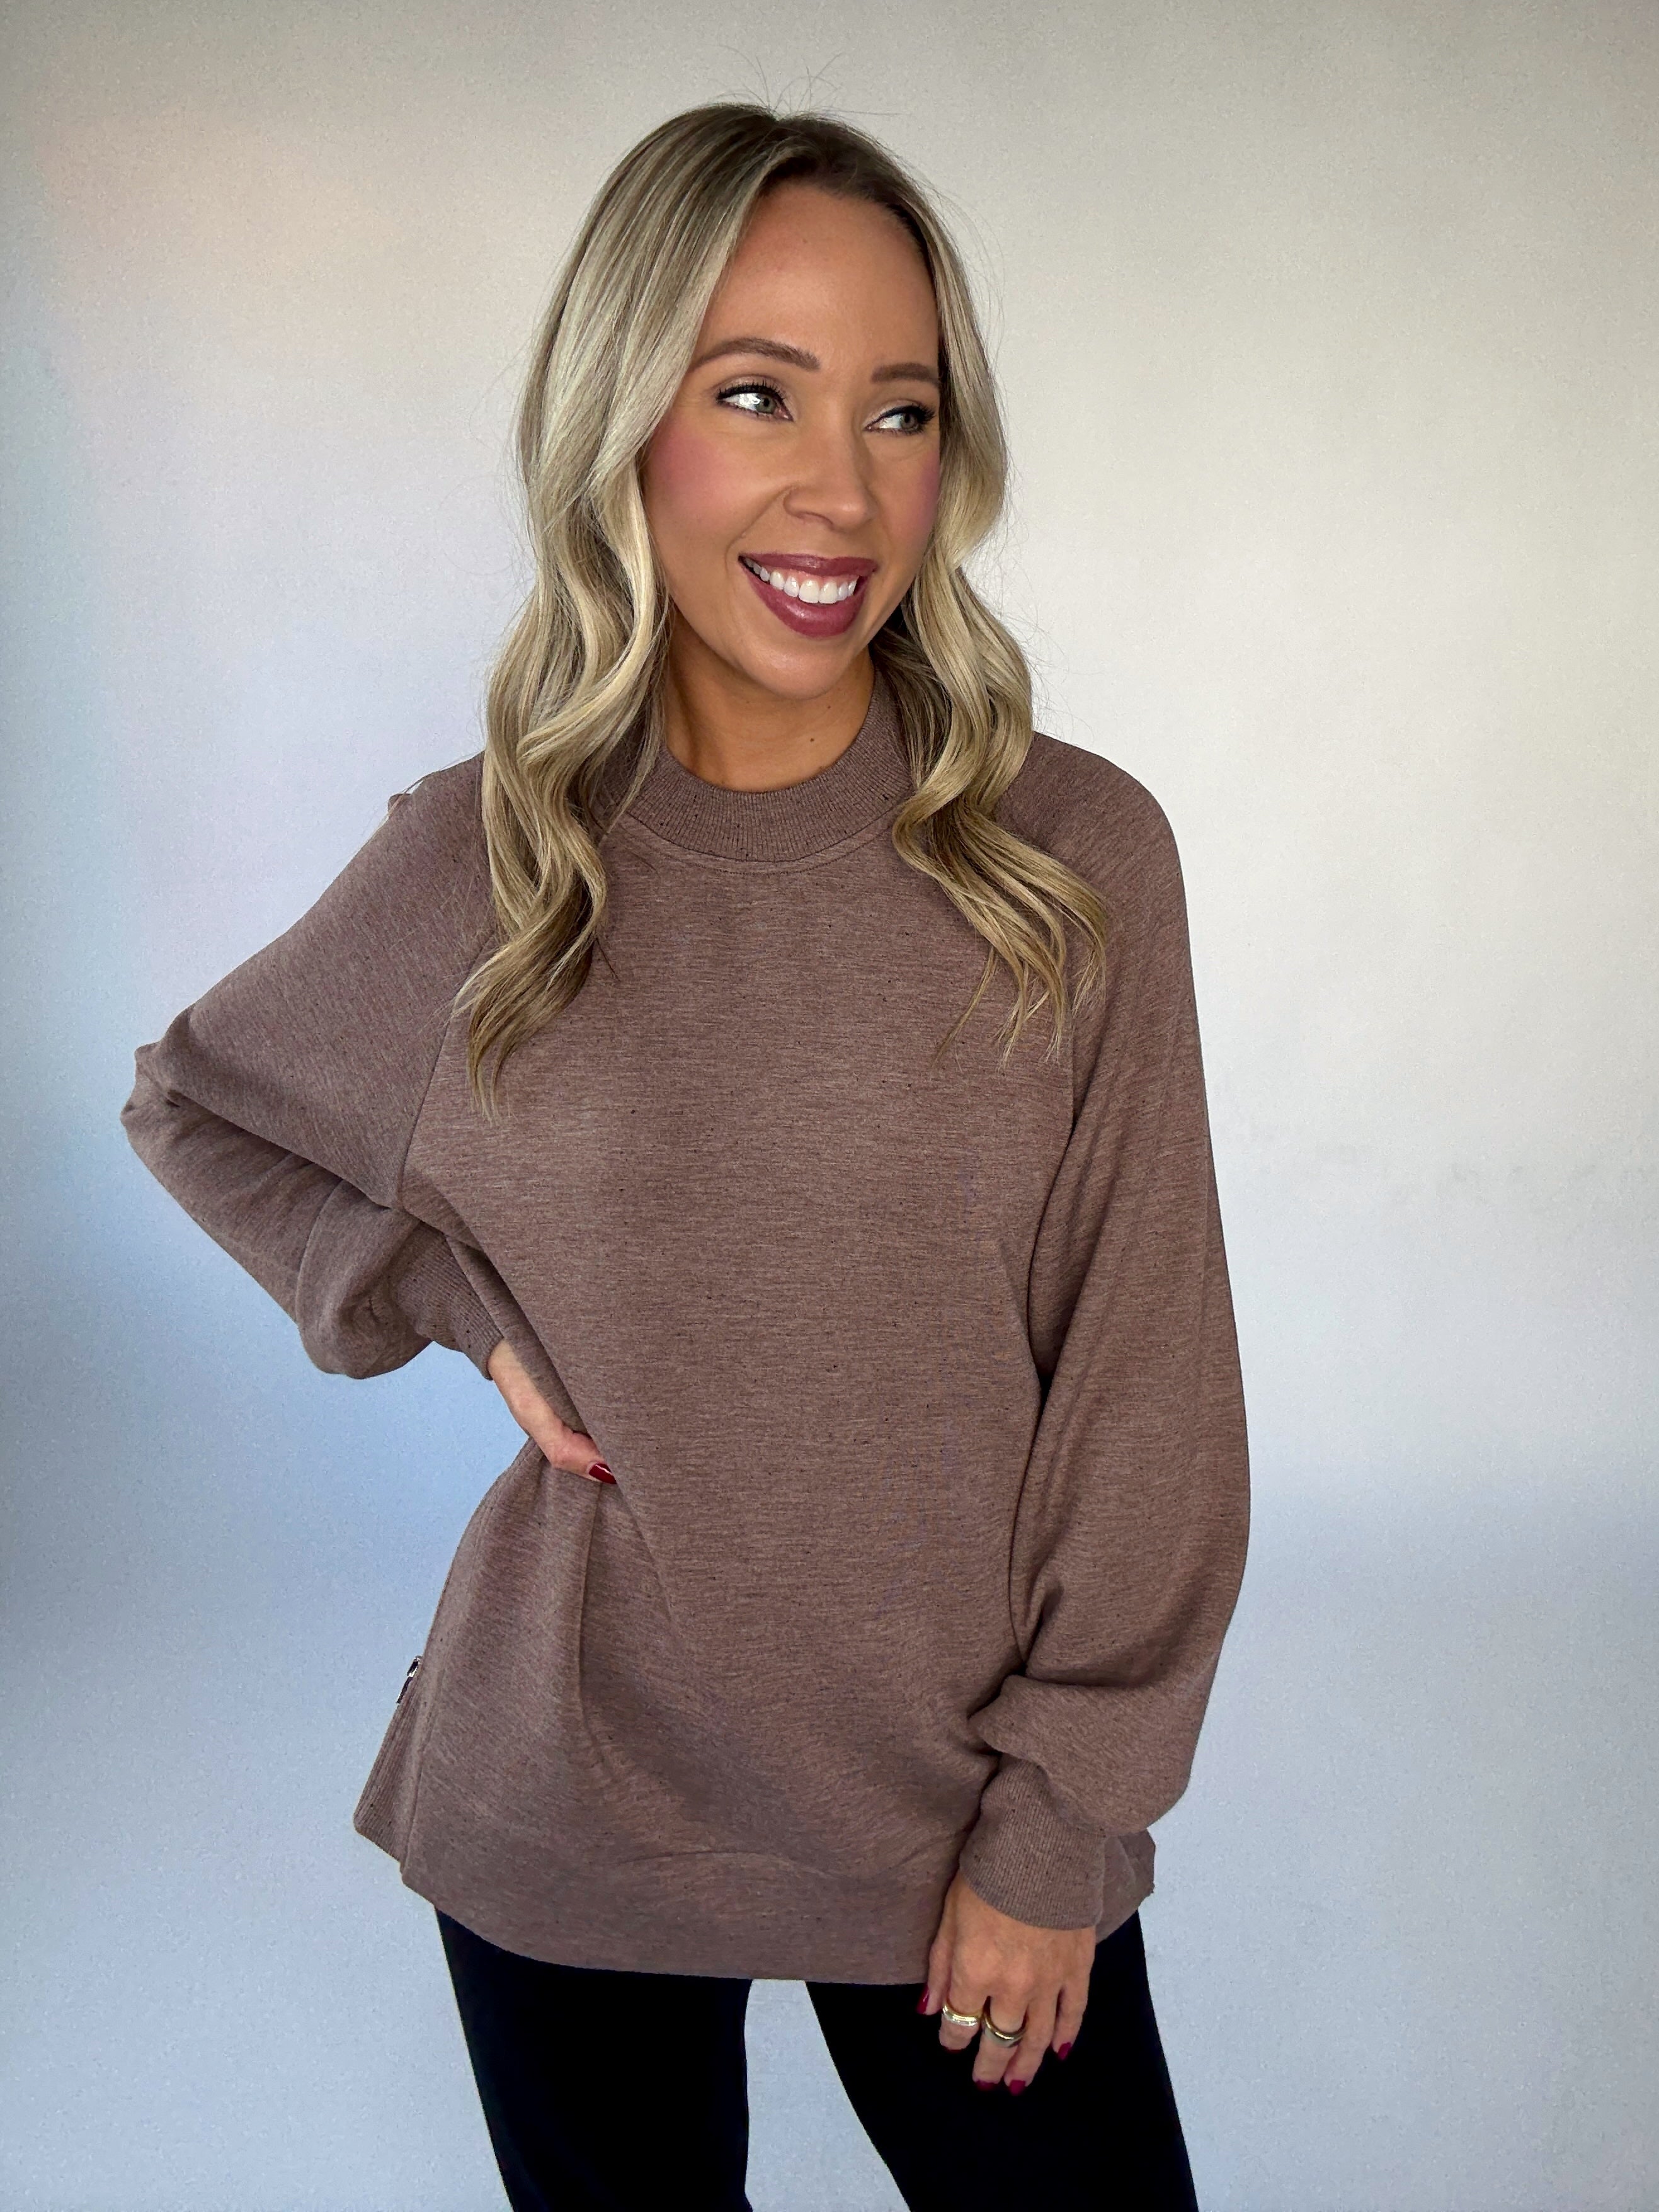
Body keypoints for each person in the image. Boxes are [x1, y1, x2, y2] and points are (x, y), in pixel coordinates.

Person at [121, 100, 1250, 2211]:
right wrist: (441, 1300)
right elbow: (193, 1105)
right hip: (569, 1800)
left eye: (900, 409)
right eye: (755, 395)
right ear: (623, 426)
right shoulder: (484, 863)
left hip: (965, 1810)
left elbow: (1148, 1386)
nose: (844, 487)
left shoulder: (1069, 859)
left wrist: (1060, 1827)